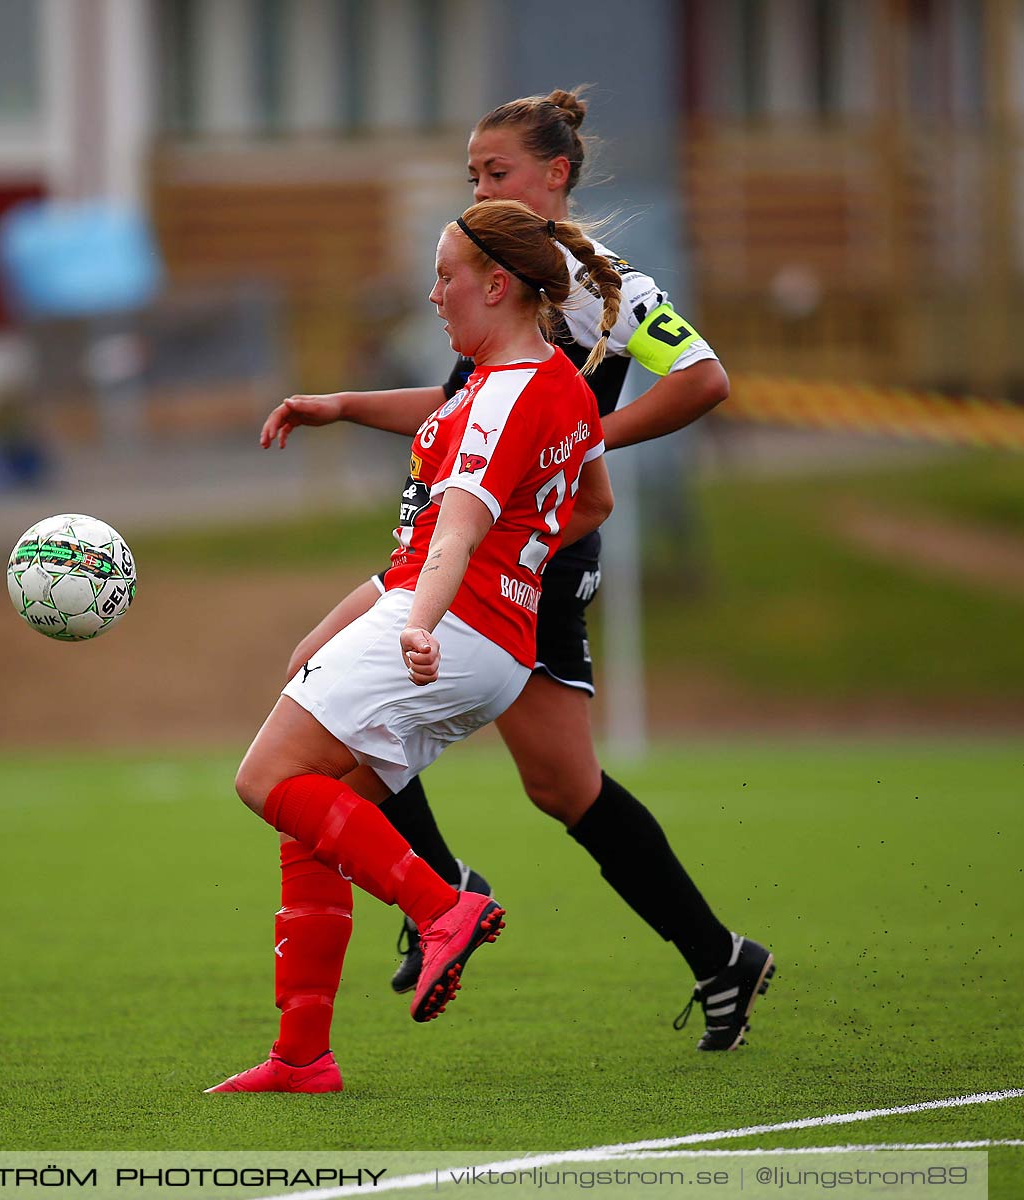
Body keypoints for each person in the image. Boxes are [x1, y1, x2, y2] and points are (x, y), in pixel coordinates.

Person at [258, 89, 774, 1051]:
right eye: (474, 177)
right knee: (340, 694)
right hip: (465, 546)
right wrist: (339, 403)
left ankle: (457, 897)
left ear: (555, 176)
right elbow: (466, 404)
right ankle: (470, 897)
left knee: (557, 783)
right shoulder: (498, 287)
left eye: (497, 174)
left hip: (529, 557)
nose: (482, 189)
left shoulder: (607, 288)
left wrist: (578, 444)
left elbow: (705, 379)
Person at [209, 199, 620, 1093]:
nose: (433, 296)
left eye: (445, 278)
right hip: (493, 639)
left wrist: (424, 620)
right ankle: (302, 1056)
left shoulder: (500, 397)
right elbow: (591, 504)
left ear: (497, 284)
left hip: (448, 621)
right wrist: (477, 581)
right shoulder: (549, 382)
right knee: (313, 811)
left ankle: (443, 906)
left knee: (265, 780)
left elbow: (456, 537)